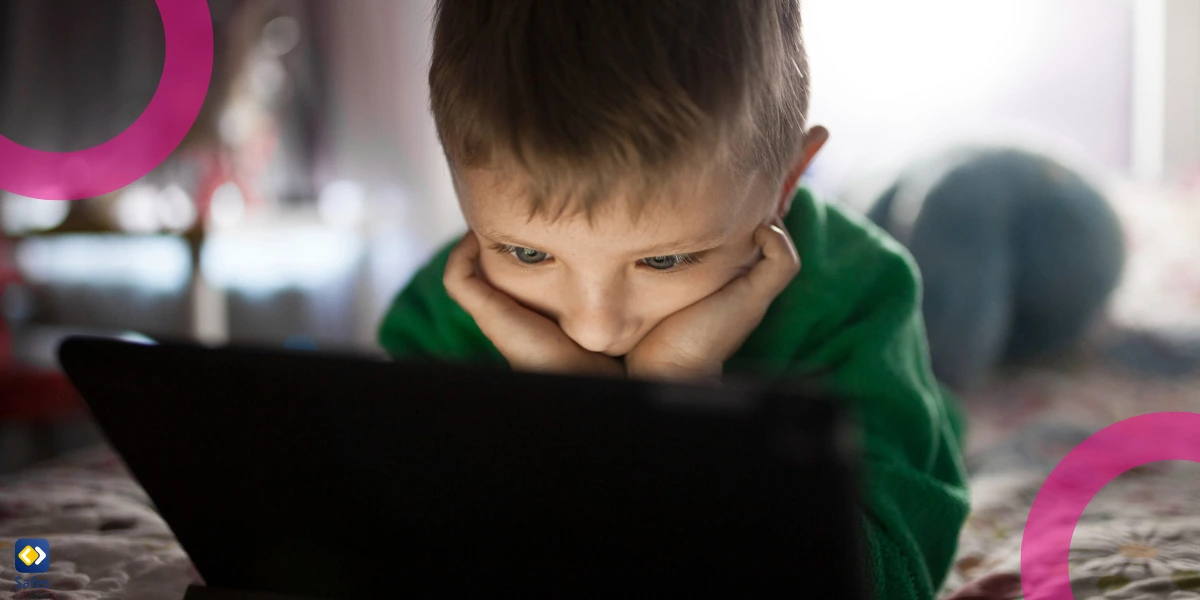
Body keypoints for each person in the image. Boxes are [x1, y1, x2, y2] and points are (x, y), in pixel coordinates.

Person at [378, 2, 968, 597]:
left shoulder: (860, 294)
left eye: (663, 260)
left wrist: (680, 402)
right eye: (528, 254)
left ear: (787, 184)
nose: (594, 331)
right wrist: (572, 410)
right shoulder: (446, 310)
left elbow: (892, 579)